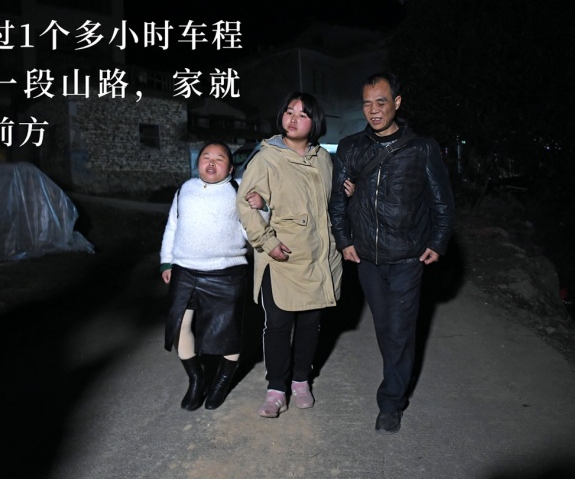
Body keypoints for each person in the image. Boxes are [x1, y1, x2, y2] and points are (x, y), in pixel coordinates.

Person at [329, 72, 455, 434]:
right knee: (385, 328)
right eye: (367, 103)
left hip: (407, 257)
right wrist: (344, 240)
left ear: (396, 103)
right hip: (367, 258)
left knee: (399, 329)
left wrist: (437, 242)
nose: (374, 110)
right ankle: (397, 377)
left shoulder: (422, 148)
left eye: (381, 102)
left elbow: (442, 201)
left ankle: (391, 402)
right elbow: (337, 201)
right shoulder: (351, 147)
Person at [236, 91, 343, 418]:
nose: (293, 118)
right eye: (289, 111)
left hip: (317, 255)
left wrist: (347, 191)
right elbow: (245, 204)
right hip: (282, 256)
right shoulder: (266, 158)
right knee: (278, 325)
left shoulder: (323, 159)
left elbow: (331, 203)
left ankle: (300, 381)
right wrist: (267, 242)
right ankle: (276, 389)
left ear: (315, 122)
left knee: (311, 324)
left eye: (302, 114)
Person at [160, 141, 265, 411]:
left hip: (225, 274)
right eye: (206, 156)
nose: (211, 162)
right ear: (198, 163)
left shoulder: (238, 190)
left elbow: (253, 230)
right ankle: (196, 378)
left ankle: (222, 380)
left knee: (228, 334)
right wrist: (166, 262)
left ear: (230, 168)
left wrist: (261, 207)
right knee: (178, 326)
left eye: (219, 158)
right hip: (185, 270)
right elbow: (172, 226)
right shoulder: (185, 189)